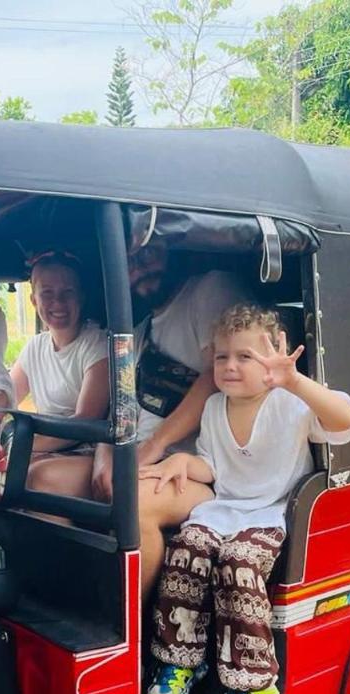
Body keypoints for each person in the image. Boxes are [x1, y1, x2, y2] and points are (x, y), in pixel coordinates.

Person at [140, 305, 350, 694]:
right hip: (225, 507)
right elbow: (214, 468)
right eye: (222, 357)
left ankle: (256, 687)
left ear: (272, 360)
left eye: (246, 357)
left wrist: (294, 381)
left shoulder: (291, 405)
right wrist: (183, 461)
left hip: (269, 512)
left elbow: (345, 421)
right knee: (189, 547)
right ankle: (183, 657)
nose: (231, 366)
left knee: (237, 562)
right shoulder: (215, 407)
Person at [92, 241, 256, 597]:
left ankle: (127, 630)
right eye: (131, 261)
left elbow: (216, 375)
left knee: (133, 502)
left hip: (201, 468)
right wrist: (102, 463)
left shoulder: (209, 290)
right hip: (138, 456)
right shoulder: (139, 331)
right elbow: (117, 408)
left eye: (149, 253)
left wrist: (152, 448)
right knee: (42, 482)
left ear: (173, 249)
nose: (141, 267)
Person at [8, 250, 110, 495]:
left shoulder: (97, 344)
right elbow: (6, 395)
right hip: (47, 447)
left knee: (34, 476)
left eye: (67, 293)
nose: (58, 304)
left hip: (89, 449)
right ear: (34, 300)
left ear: (82, 297)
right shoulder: (35, 347)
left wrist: (27, 445)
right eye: (47, 294)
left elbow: (86, 420)